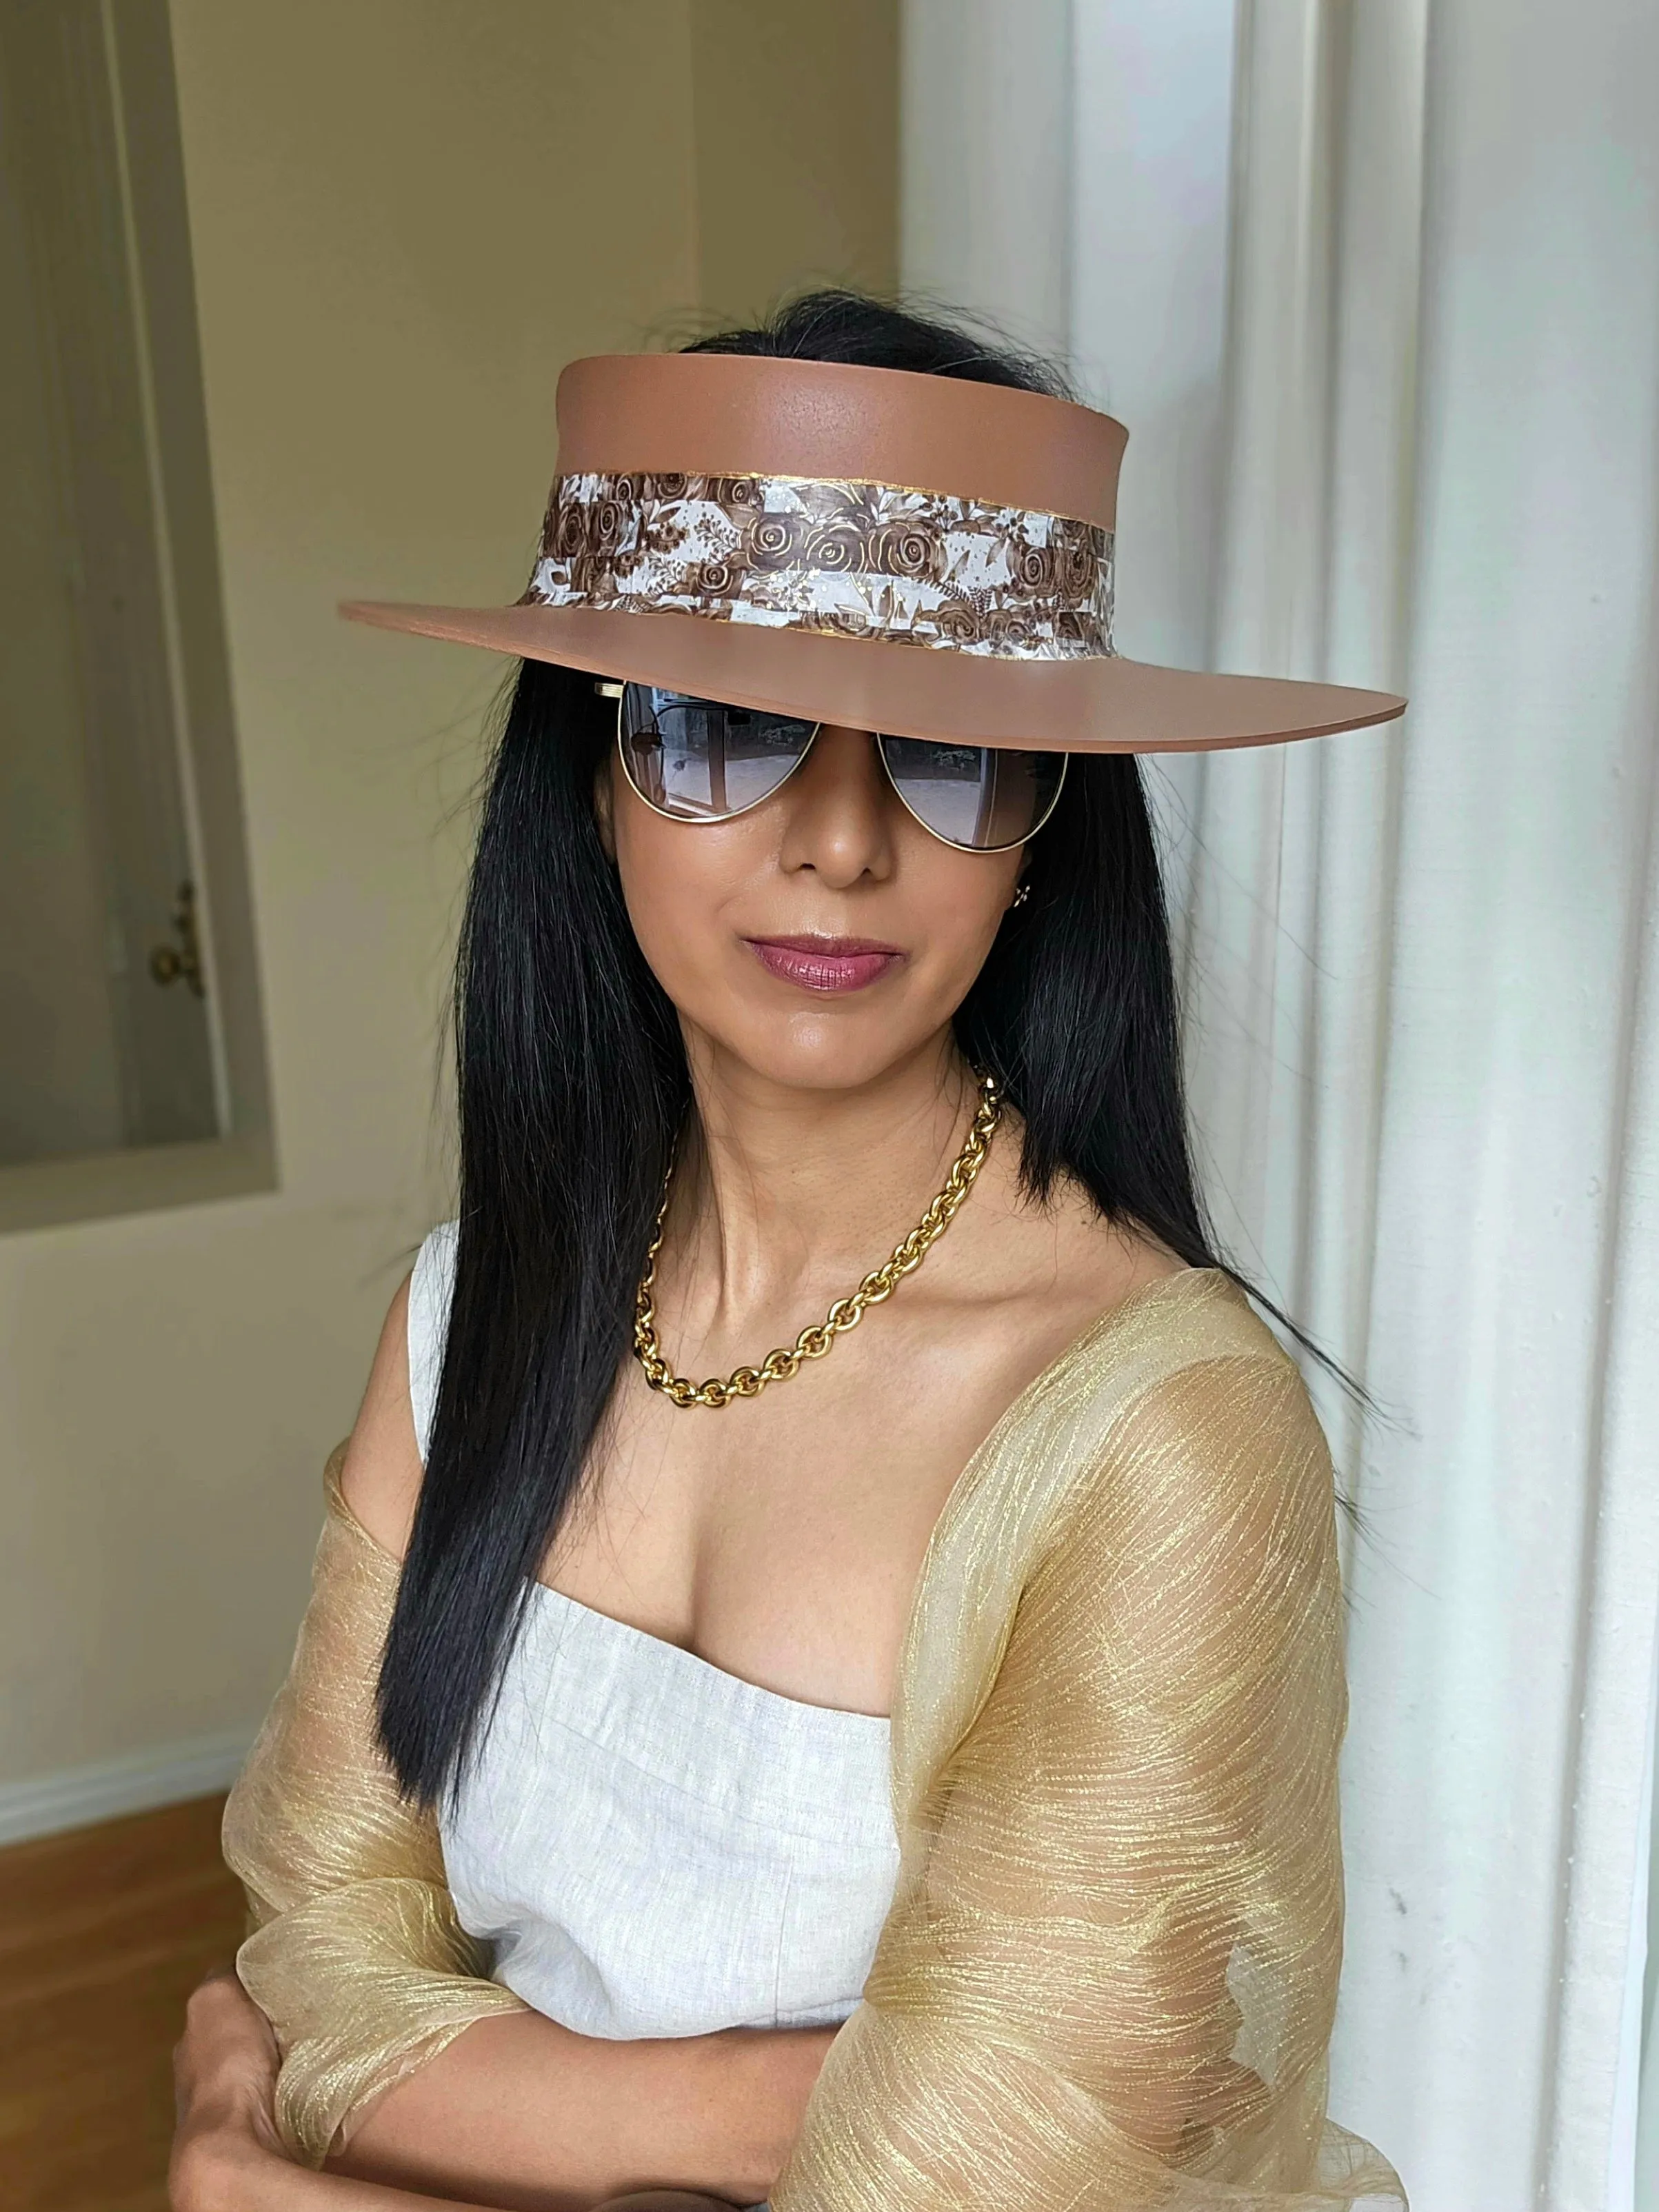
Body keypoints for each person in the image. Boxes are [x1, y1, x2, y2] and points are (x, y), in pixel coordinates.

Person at [169, 293, 1409, 2212]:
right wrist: (775, 2108)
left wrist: (308, 2175)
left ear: (1040, 831)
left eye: (943, 749)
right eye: (724, 727)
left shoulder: (1158, 1436)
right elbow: (316, 1934)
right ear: (587, 781)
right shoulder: (462, 1310)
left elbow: (987, 2177)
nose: (837, 842)